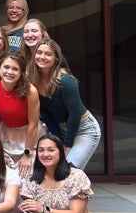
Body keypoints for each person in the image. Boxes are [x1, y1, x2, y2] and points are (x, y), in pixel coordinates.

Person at [28, 39, 100, 169]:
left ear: (56, 58)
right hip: (62, 129)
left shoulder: (65, 81)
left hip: (85, 129)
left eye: (48, 54)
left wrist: (67, 145)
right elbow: (45, 115)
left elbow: (75, 114)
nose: (42, 57)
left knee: (69, 170)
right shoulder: (34, 82)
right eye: (39, 53)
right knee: (55, 170)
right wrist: (59, 140)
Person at [0, 52, 40, 178]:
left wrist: (27, 154)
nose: (10, 72)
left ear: (21, 72)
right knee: (4, 173)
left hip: (29, 136)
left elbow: (33, 124)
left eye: (15, 69)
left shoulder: (31, 91)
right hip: (5, 136)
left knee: (27, 174)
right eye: (6, 67)